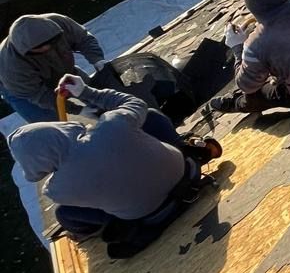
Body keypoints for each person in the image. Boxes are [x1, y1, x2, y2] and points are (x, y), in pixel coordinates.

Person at [10, 77, 219, 248]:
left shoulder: (56, 190)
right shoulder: (112, 125)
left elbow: (83, 175)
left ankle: (96, 232)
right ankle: (187, 149)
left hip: (153, 216)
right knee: (151, 117)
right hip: (188, 174)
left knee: (64, 213)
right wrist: (86, 92)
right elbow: (136, 104)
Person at [0, 12, 104, 123]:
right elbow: (38, 95)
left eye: (50, 43)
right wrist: (77, 110)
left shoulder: (58, 23)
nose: (47, 47)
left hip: (62, 70)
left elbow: (84, 39)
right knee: (50, 125)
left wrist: (98, 60)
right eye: (40, 48)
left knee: (99, 97)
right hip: (23, 91)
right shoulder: (11, 66)